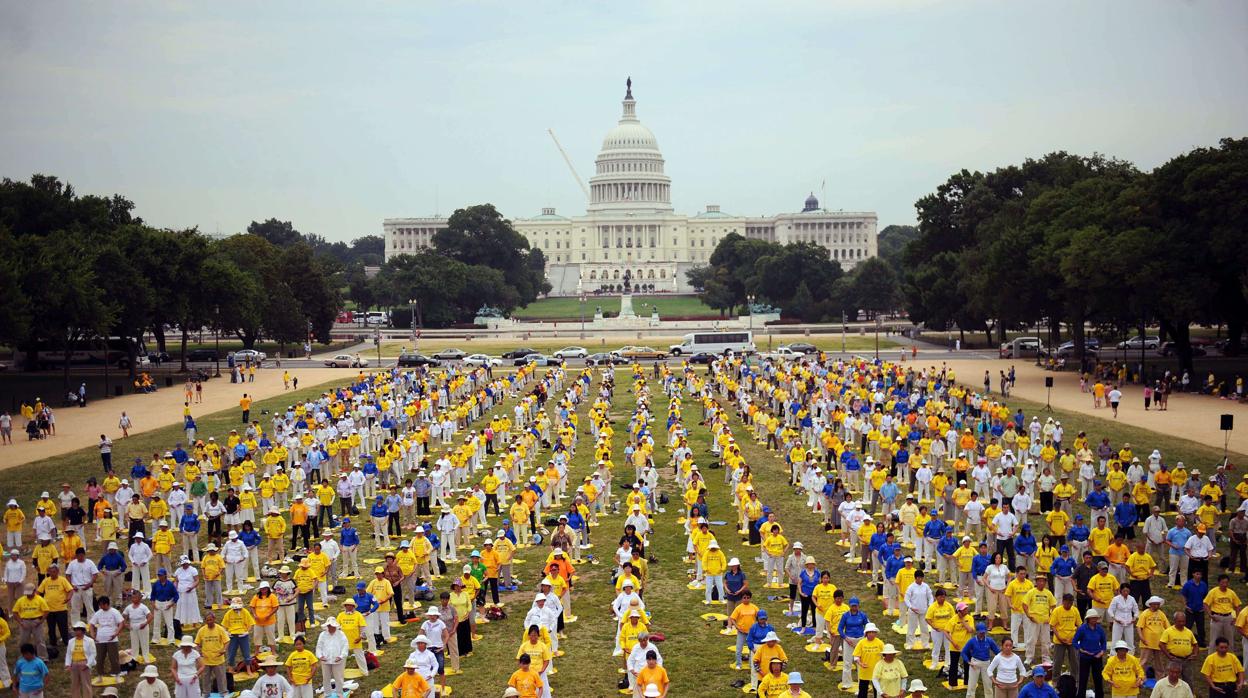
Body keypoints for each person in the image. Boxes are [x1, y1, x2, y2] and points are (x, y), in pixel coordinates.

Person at [1074, 608, 1107, 698]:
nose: (1095, 620)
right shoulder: (1082, 629)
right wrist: (1081, 650)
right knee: (1083, 678)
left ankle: (1100, 696)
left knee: (1098, 678)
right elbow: (1075, 641)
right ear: (1088, 619)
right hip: (1085, 657)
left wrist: (1102, 652)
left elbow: (1104, 642)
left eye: (1096, 618)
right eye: (1093, 618)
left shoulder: (1099, 629)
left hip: (1097, 656)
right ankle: (1080, 695)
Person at [315, 617, 348, 696]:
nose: (331, 628)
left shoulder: (341, 634)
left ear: (335, 626)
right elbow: (319, 646)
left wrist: (341, 656)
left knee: (339, 678)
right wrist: (320, 656)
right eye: (329, 626)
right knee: (326, 678)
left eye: (332, 626)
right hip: (325, 660)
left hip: (338, 660)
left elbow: (345, 646)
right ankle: (327, 693)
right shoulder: (323, 635)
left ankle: (339, 693)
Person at [65, 622, 96, 698]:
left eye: (78, 630)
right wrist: (68, 664)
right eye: (75, 630)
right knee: (74, 684)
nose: (76, 632)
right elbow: (68, 654)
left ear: (83, 631)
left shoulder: (89, 641)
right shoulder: (71, 641)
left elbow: (93, 654)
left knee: (86, 683)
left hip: (84, 662)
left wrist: (88, 665)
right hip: (74, 663)